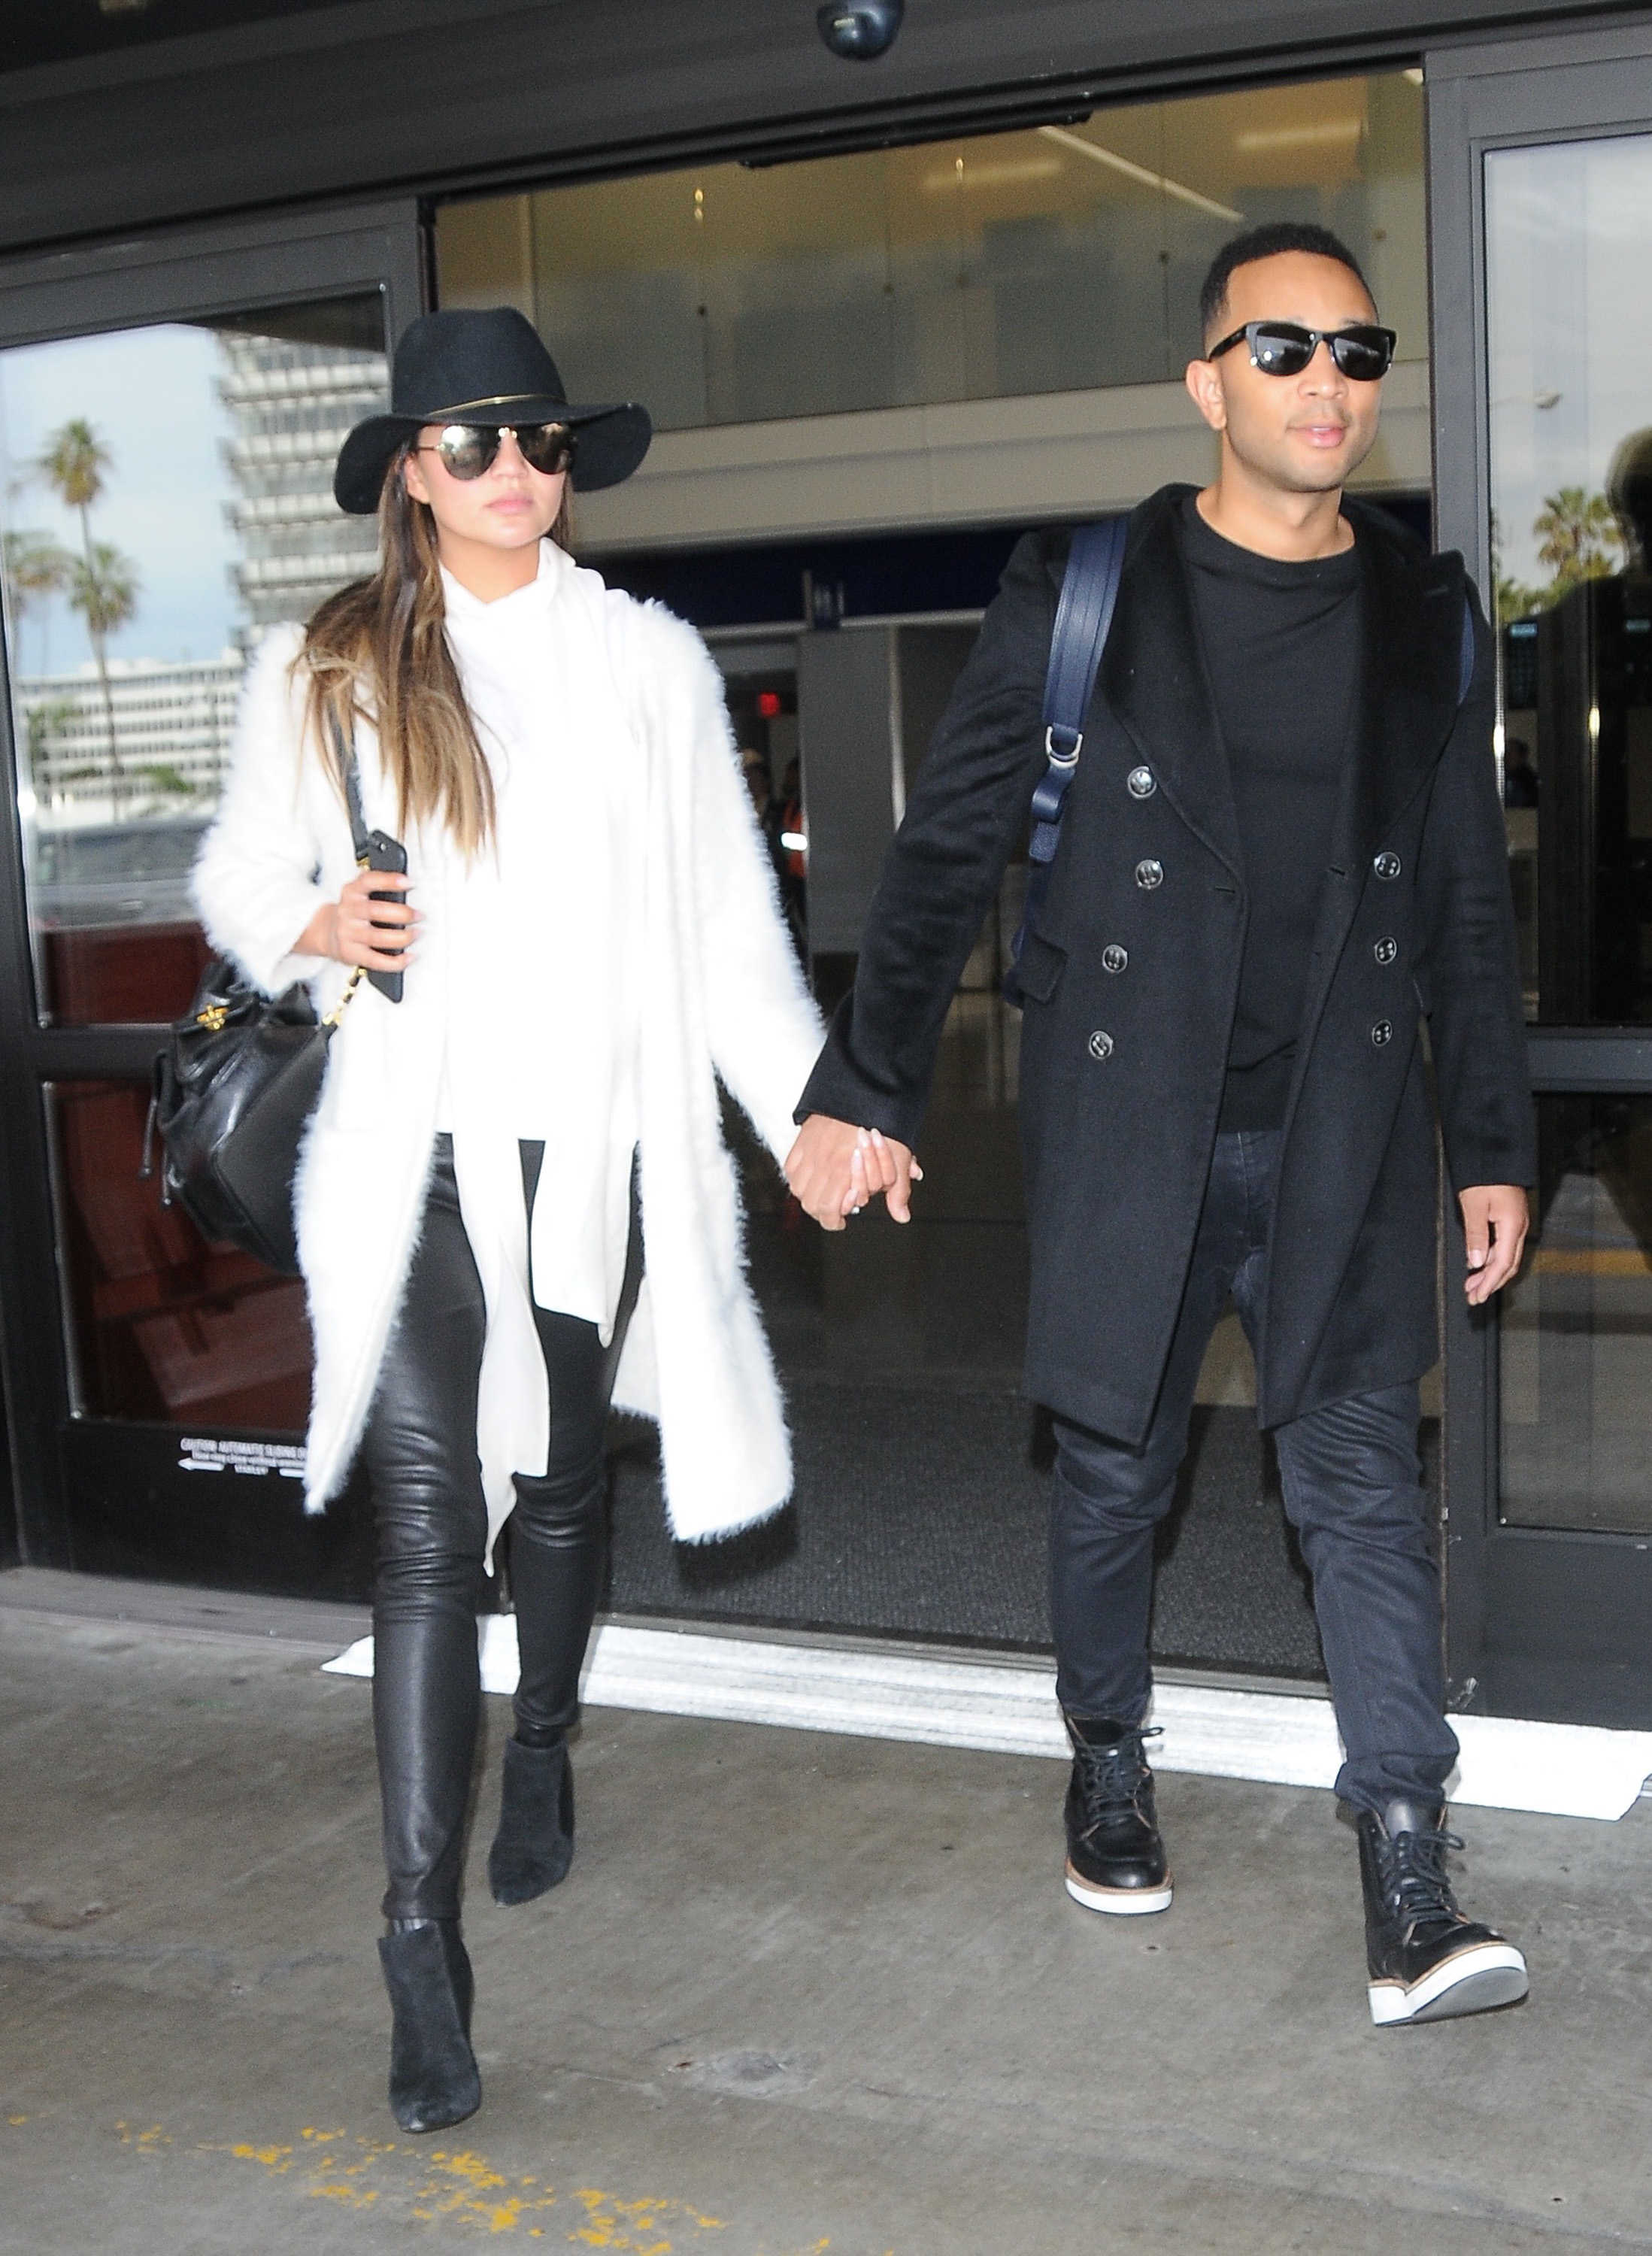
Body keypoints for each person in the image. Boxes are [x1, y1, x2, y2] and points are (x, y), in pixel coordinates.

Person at [786, 223, 1537, 2029]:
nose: (1323, 384)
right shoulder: (1092, 585)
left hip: (1343, 1123)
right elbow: (948, 844)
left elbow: (1457, 897)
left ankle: (1407, 1875)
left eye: (1355, 353)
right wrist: (863, 1084)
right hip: (1136, 1114)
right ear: (1206, 383)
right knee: (1114, 1471)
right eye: (1279, 350)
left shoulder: (1424, 617)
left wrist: (1492, 1134)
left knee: (1360, 1482)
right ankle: (1106, 1761)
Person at [193, 308, 822, 2131]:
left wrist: (807, 1120)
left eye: (540, 444)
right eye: (472, 445)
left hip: (596, 1155)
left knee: (557, 1484)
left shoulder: (648, 666)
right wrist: (307, 930)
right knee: (421, 1535)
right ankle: (414, 1936)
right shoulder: (325, 668)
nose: (514, 475)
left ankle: (540, 1739)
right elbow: (243, 869)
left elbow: (726, 936)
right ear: (407, 466)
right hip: (418, 1161)